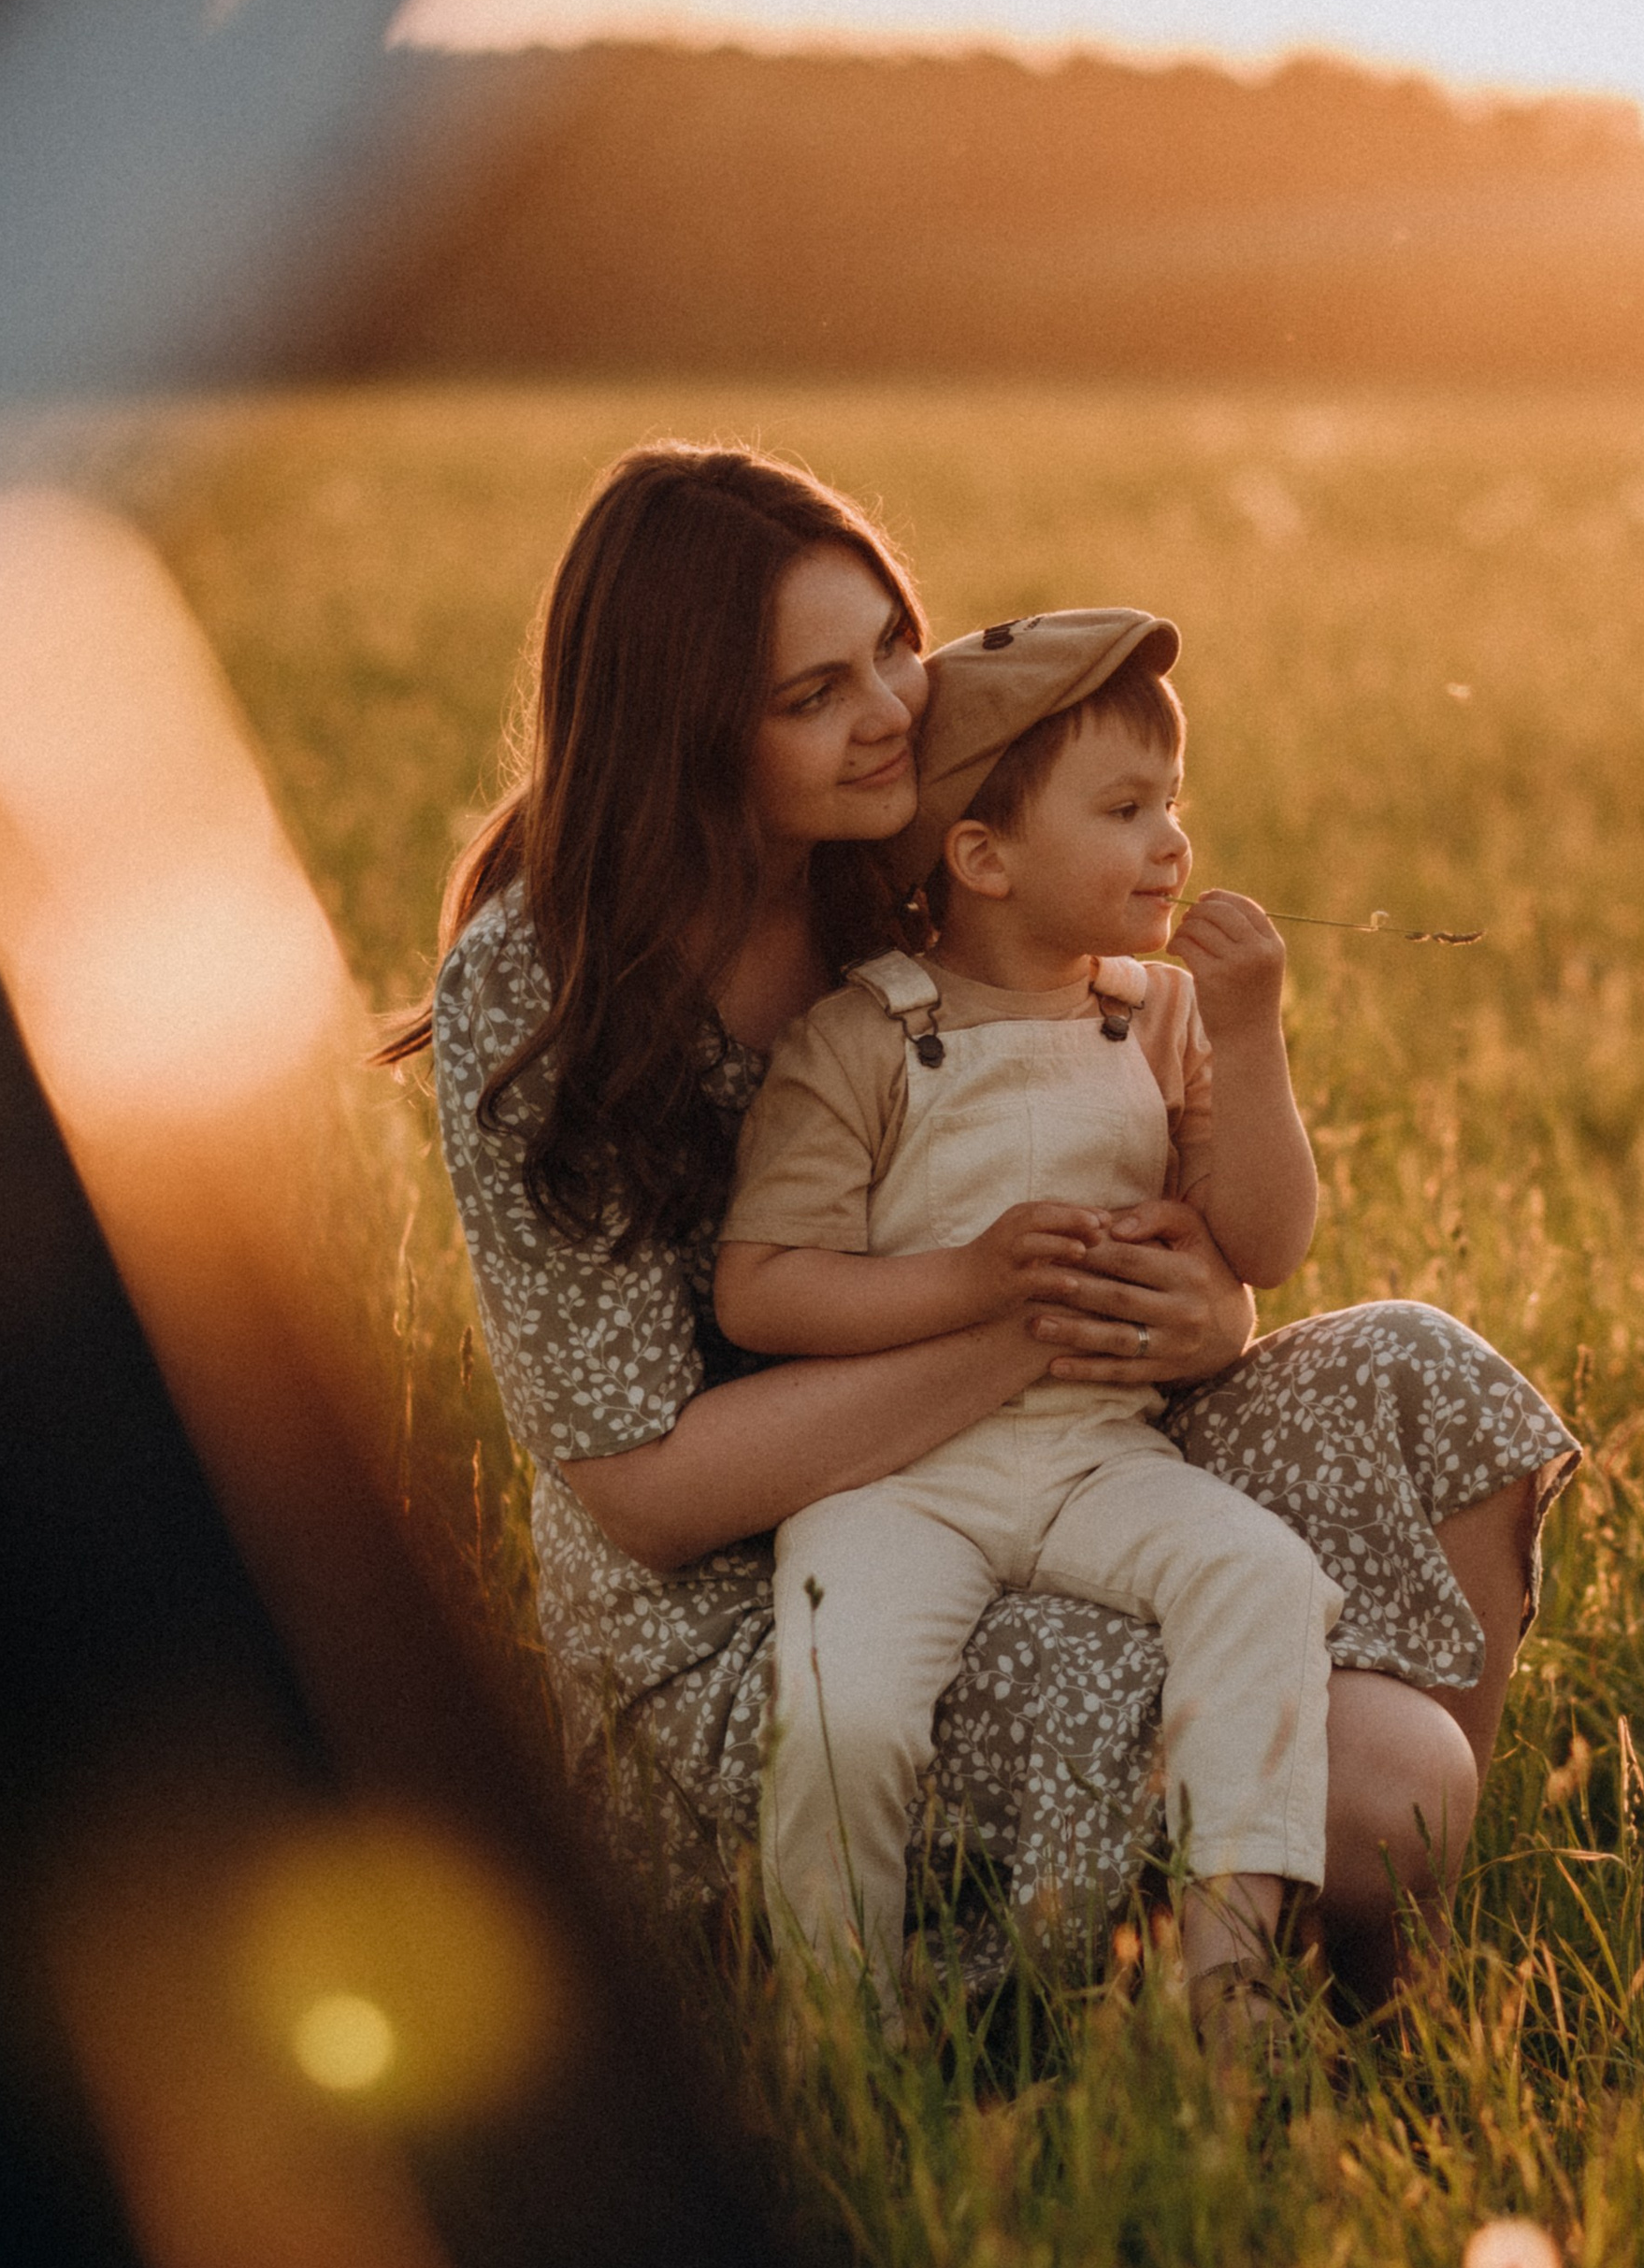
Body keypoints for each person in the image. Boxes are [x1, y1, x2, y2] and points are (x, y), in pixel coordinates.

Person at [403, 440, 1579, 2008]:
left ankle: (1372, 2002)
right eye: (810, 694)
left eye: (890, 644)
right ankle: (1044, 2009)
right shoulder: (537, 982)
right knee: (1387, 1785)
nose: (892, 707)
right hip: (764, 1592)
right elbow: (642, 1492)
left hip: (1066, 1443)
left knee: (1425, 1377)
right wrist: (1026, 1326)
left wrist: (1198, 1314)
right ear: (686, 730)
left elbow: (1174, 1226)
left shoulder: (901, 856)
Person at [716, 610, 1339, 2021]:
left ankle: (1226, 1986)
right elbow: (761, 1284)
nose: (1172, 843)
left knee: (1265, 1580)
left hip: (1100, 1459)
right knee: (847, 1710)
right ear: (983, 859)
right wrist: (979, 1275)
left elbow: (1266, 1241)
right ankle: (835, 2029)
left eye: (1173, 804)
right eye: (1124, 810)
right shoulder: (864, 1036)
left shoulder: (1166, 1016)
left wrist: (1250, 1038)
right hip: (892, 1477)